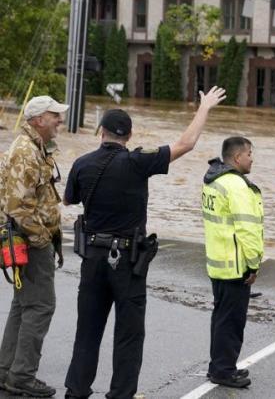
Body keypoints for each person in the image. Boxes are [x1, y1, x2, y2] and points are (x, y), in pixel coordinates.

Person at [63, 86, 227, 399]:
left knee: (87, 331)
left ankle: (76, 392)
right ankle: (121, 394)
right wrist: (204, 106)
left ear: (101, 132)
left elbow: (69, 201)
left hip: (94, 258)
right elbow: (186, 144)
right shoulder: (140, 162)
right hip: (127, 261)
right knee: (128, 334)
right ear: (129, 135)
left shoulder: (82, 164)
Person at [0, 96, 68, 397]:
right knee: (40, 306)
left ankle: (7, 370)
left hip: (25, 238)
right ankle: (22, 377)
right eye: (55, 116)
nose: (60, 121)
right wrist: (43, 240)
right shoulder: (26, 152)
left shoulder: (34, 147)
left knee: (24, 304)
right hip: (30, 241)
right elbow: (18, 207)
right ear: (39, 119)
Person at [201, 136, 264, 389]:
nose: (252, 158)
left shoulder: (213, 180)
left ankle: (218, 365)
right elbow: (247, 229)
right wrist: (253, 264)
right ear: (237, 158)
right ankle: (224, 371)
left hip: (218, 263)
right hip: (236, 266)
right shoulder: (237, 186)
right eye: (249, 153)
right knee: (231, 321)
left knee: (221, 318)